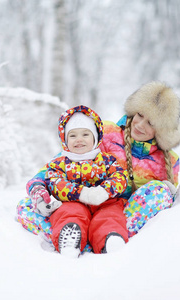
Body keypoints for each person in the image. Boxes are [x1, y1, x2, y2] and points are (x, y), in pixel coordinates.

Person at [16, 81, 180, 249]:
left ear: (162, 128)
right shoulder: (107, 133)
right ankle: (74, 235)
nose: (140, 125)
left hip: (118, 212)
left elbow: (160, 205)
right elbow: (62, 163)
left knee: (159, 192)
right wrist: (38, 188)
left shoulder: (168, 160)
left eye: (151, 122)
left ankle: (110, 237)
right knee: (26, 207)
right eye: (140, 115)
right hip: (78, 202)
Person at [39, 105, 129, 257]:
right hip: (74, 202)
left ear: (96, 137)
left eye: (85, 134)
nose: (79, 139)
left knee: (109, 216)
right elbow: (54, 182)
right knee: (69, 213)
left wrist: (104, 191)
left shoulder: (107, 160)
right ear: (65, 140)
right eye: (72, 136)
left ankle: (109, 239)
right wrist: (80, 193)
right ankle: (69, 240)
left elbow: (120, 177)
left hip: (104, 202)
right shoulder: (60, 163)